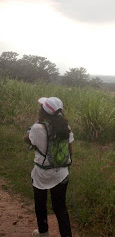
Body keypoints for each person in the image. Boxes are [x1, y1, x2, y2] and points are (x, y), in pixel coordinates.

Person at [24, 97, 74, 237]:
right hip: (61, 173)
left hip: (42, 173)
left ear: (43, 111)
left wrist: (36, 124)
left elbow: (27, 139)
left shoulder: (37, 128)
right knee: (60, 207)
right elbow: (70, 151)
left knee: (40, 204)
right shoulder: (66, 127)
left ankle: (43, 233)